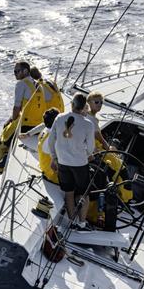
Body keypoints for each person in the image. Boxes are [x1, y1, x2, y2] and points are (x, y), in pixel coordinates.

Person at [45, 93, 96, 225]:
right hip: (80, 164)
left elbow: (51, 141)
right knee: (83, 194)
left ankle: (72, 221)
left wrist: (54, 158)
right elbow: (91, 148)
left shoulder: (59, 118)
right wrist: (84, 153)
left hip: (63, 163)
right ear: (84, 106)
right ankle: (82, 223)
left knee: (69, 193)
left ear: (72, 104)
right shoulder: (88, 124)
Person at [0, 60, 44, 176]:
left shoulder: (21, 84)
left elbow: (16, 108)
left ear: (26, 71)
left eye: (17, 71)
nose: (15, 74)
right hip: (38, 123)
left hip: (26, 124)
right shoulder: (38, 84)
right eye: (14, 71)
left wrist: (12, 121)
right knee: (8, 128)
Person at [19, 107, 60, 184]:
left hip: (43, 163)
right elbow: (55, 165)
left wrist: (28, 134)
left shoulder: (46, 129)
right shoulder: (54, 138)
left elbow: (43, 125)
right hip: (51, 173)